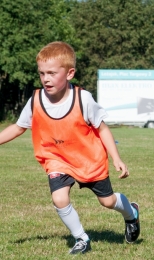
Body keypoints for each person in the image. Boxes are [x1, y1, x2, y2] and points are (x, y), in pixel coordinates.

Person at [0, 41, 140, 254]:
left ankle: (131, 214)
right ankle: (82, 238)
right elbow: (19, 127)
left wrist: (117, 158)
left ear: (69, 73)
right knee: (59, 197)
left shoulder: (83, 99)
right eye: (42, 73)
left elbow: (102, 129)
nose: (46, 78)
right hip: (57, 158)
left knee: (107, 201)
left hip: (88, 159)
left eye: (52, 73)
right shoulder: (36, 100)